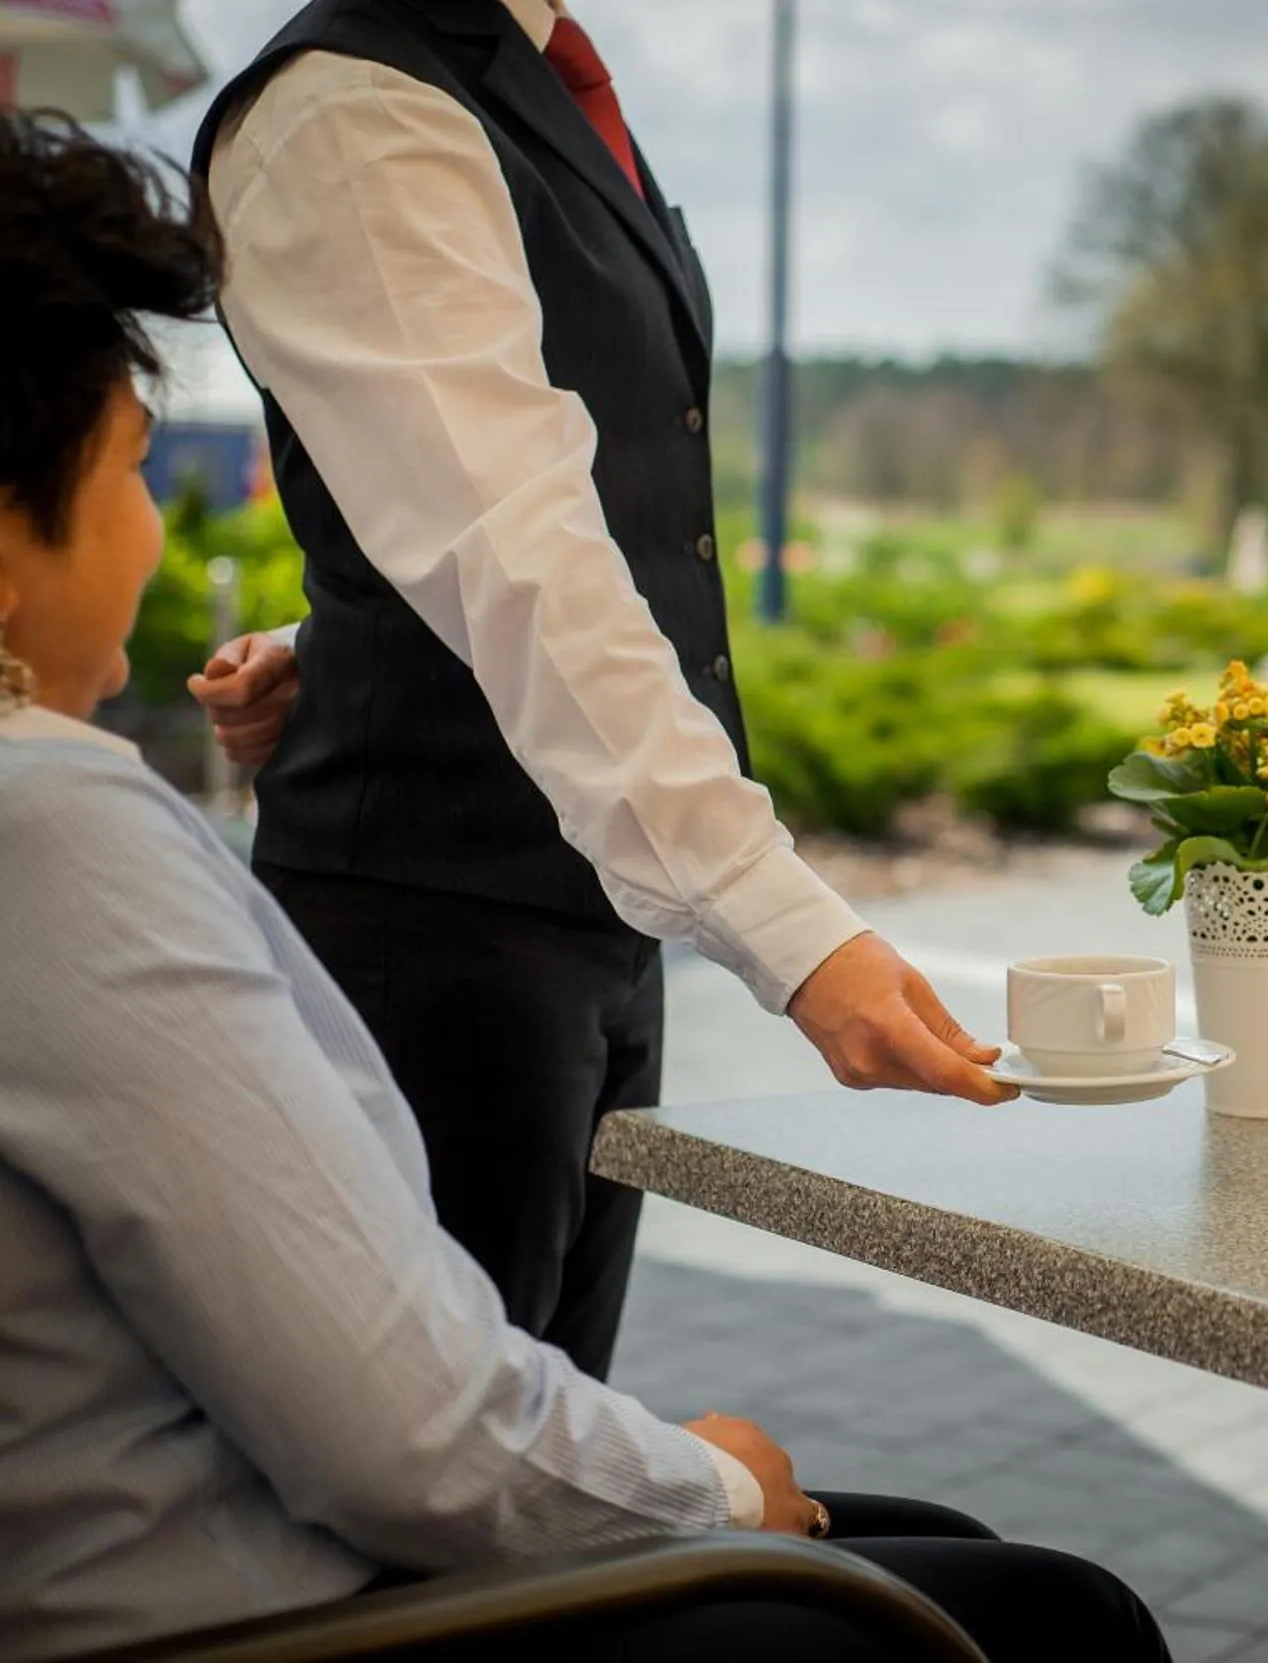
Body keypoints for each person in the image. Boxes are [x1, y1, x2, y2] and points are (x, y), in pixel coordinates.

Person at [0, 93, 1164, 1663]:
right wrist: (719, 1482)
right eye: (129, 467)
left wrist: (339, 649)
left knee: (949, 1554)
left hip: (180, 1547)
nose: (145, 526)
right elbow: (415, 1435)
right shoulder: (40, 838)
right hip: (264, 1606)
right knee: (1053, 1613)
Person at [179, 0, 1012, 1383]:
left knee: (557, 1443)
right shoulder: (352, 105)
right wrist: (792, 933)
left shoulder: (537, 80)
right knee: (446, 1465)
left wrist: (328, 642)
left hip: (594, 922)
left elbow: (472, 500)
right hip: (431, 934)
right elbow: (513, 555)